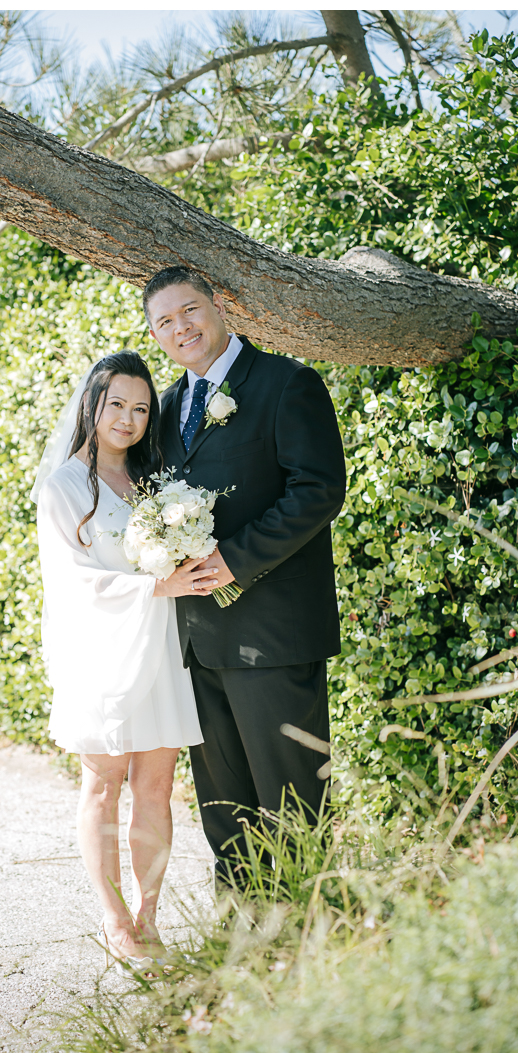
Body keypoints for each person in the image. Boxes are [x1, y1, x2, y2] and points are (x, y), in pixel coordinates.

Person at [143, 267, 347, 888]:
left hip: (274, 637)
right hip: (197, 642)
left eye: (189, 311)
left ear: (219, 305)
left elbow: (319, 491)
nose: (181, 328)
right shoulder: (167, 407)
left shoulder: (287, 383)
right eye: (164, 322)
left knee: (293, 807)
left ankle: (314, 942)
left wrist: (237, 558)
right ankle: (242, 942)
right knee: (224, 812)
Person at [31, 350, 217, 973]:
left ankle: (149, 913)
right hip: (100, 652)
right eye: (118, 405)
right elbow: (69, 583)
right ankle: (112, 917)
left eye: (142, 409)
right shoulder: (63, 488)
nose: (129, 418)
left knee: (157, 787)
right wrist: (154, 587)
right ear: (93, 405)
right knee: (103, 787)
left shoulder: (156, 483)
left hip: (159, 646)